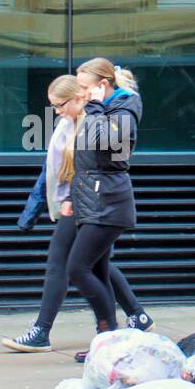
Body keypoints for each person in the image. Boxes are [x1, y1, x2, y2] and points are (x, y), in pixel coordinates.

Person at [4, 75, 152, 353]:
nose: (56, 111)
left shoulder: (95, 122)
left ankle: (44, 331)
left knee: (68, 265)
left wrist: (70, 198)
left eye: (60, 104)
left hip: (91, 202)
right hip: (80, 200)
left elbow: (105, 164)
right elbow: (51, 170)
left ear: (78, 97)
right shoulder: (67, 123)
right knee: (95, 266)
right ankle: (128, 321)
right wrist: (35, 207)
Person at [63, 57, 143, 352]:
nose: (80, 93)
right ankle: (107, 340)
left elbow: (105, 144)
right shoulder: (104, 109)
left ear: (102, 85)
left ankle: (109, 337)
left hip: (108, 201)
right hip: (94, 199)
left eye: (84, 88)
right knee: (96, 270)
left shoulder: (124, 109)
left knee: (78, 268)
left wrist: (94, 108)